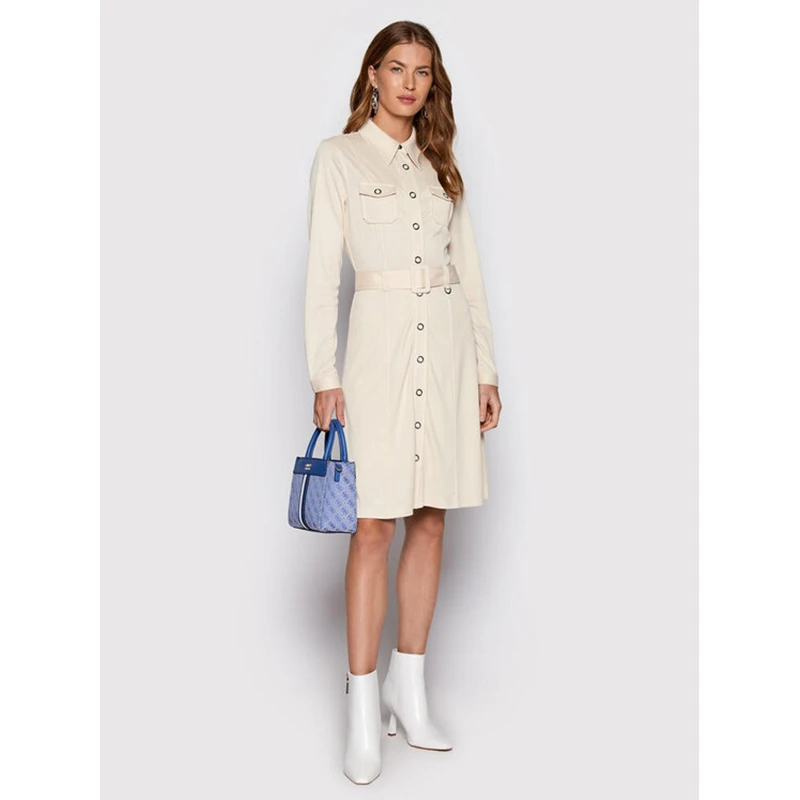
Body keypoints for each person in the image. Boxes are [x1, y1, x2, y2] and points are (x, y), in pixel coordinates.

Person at [303, 20, 502, 784]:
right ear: (373, 75)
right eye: (397, 68)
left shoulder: (442, 164)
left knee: (432, 517)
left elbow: (469, 274)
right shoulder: (339, 158)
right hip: (377, 359)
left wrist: (485, 370)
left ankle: (408, 690)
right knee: (373, 527)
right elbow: (322, 276)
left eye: (422, 71)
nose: (410, 83)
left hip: (447, 354)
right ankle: (363, 711)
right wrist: (324, 377)